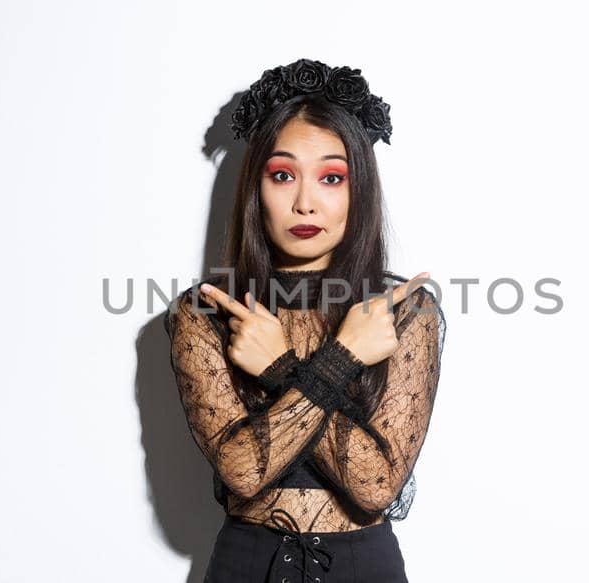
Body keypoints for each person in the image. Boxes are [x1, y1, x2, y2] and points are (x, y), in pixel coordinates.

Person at [164, 58, 445, 583]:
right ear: (256, 188)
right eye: (283, 174)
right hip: (247, 565)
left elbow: (377, 486)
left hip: (365, 568)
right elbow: (243, 472)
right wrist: (339, 360)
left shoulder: (402, 310)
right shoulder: (205, 311)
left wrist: (280, 368)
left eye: (332, 177)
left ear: (358, 190)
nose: (305, 203)